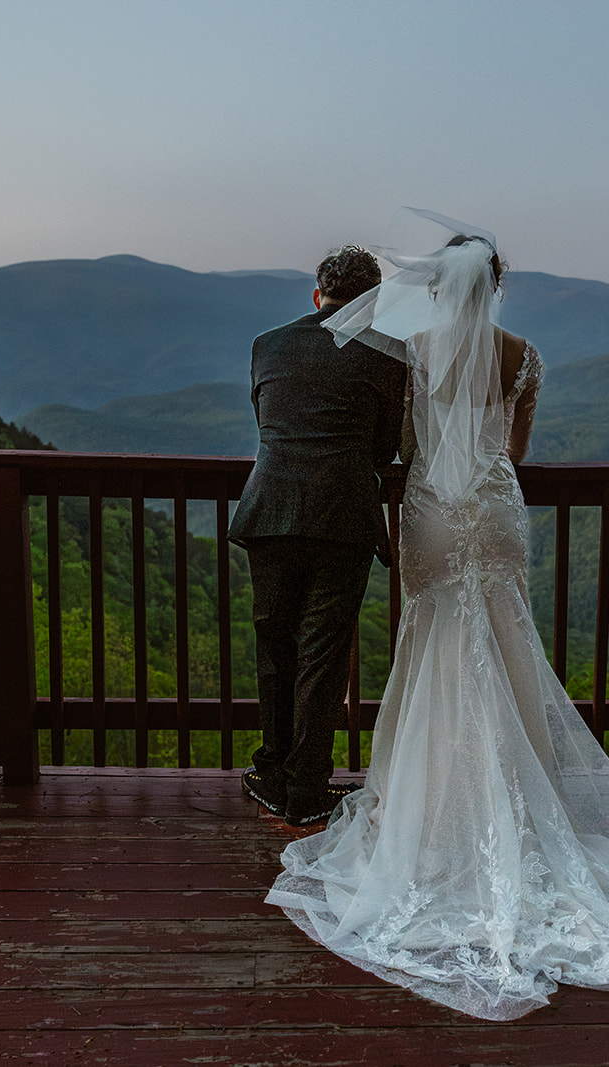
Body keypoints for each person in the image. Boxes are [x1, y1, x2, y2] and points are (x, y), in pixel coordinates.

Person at [265, 209, 609, 1020]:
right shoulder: (523, 359)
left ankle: (430, 803)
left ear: (441, 288)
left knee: (434, 638)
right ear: (498, 287)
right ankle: (519, 797)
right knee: (503, 640)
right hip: (491, 506)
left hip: (433, 510)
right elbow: (516, 453)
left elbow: (404, 446)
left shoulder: (414, 356)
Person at [228, 246, 408, 828]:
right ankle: (306, 788)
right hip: (342, 516)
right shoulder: (387, 356)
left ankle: (271, 772)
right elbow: (385, 450)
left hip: (270, 510)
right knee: (322, 656)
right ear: (373, 303)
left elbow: (269, 423)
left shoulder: (266, 344)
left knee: (274, 645)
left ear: (317, 294)